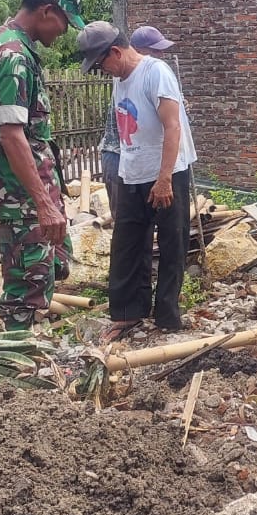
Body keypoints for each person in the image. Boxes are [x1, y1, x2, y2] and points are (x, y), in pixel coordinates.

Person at [0, 0, 84, 333]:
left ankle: (23, 336)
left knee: (54, 262)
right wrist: (43, 202)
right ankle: (12, 364)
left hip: (24, 186)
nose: (64, 32)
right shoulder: (13, 56)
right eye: (64, 22)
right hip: (19, 191)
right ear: (47, 11)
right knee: (28, 283)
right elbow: (12, 135)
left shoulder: (1, 42)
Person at [78, 21, 196, 338]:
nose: (103, 71)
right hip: (132, 173)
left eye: (102, 64)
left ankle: (167, 317)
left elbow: (173, 127)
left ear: (115, 51)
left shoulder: (155, 73)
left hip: (166, 173)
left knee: (172, 245)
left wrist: (165, 179)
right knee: (127, 244)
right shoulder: (121, 79)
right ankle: (130, 312)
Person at [98, 25, 181, 219]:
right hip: (119, 156)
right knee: (127, 224)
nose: (160, 55)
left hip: (134, 158)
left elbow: (170, 123)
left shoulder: (150, 73)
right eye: (155, 51)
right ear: (139, 50)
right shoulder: (125, 76)